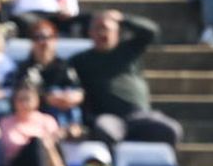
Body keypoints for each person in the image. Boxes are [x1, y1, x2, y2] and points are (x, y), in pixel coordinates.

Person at [70, 11, 181, 147]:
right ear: (90, 33)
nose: (102, 33)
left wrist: (123, 19)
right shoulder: (80, 61)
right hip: (109, 117)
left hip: (140, 115)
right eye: (97, 28)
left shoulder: (129, 50)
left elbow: (151, 31)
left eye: (106, 28)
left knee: (170, 130)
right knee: (104, 130)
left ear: (117, 32)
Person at [0, 79, 61, 166]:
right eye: (20, 99)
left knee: (37, 142)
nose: (24, 103)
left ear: (36, 100)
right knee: (34, 142)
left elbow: (51, 148)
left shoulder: (47, 121)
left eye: (27, 99)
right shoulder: (5, 122)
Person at [9, 20, 84, 131]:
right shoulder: (25, 68)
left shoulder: (64, 66)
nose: (44, 42)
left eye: (48, 37)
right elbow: (22, 94)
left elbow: (78, 89)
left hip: (65, 111)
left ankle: (74, 130)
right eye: (38, 38)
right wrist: (47, 97)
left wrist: (71, 97)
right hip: (37, 114)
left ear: (55, 40)